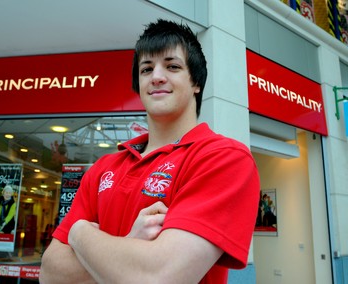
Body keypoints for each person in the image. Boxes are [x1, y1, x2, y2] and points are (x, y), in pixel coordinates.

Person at [39, 19, 260, 284]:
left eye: (172, 66)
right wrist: (129, 243)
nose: (156, 76)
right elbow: (50, 274)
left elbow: (157, 277)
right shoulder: (103, 168)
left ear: (196, 83)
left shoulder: (222, 158)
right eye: (146, 69)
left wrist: (78, 232)